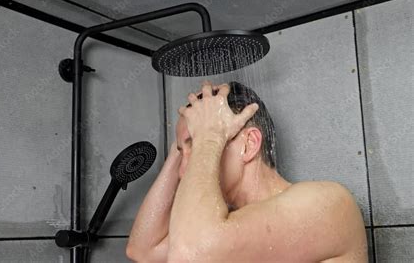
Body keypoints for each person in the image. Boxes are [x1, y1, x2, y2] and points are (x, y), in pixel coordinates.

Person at [126, 81, 367, 262]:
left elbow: (190, 256)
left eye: (195, 146)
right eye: (183, 152)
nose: (182, 173)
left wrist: (207, 136)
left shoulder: (331, 204)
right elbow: (142, 250)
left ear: (249, 144)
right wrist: (181, 144)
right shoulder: (227, 225)